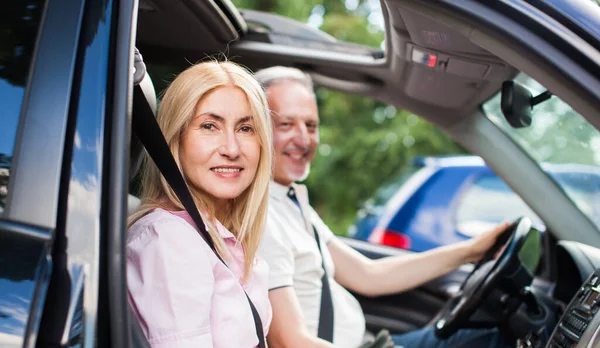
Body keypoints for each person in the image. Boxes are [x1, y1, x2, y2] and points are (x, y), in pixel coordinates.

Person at [255, 66, 511, 348]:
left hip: (367, 341)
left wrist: (470, 251)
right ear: (254, 129)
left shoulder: (290, 201)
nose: (304, 140)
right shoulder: (262, 219)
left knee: (489, 337)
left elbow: (369, 275)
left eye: (311, 126)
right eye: (286, 125)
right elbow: (287, 342)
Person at [127, 61, 273, 347]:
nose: (231, 149)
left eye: (245, 128)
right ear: (175, 139)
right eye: (209, 126)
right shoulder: (170, 238)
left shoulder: (225, 239)